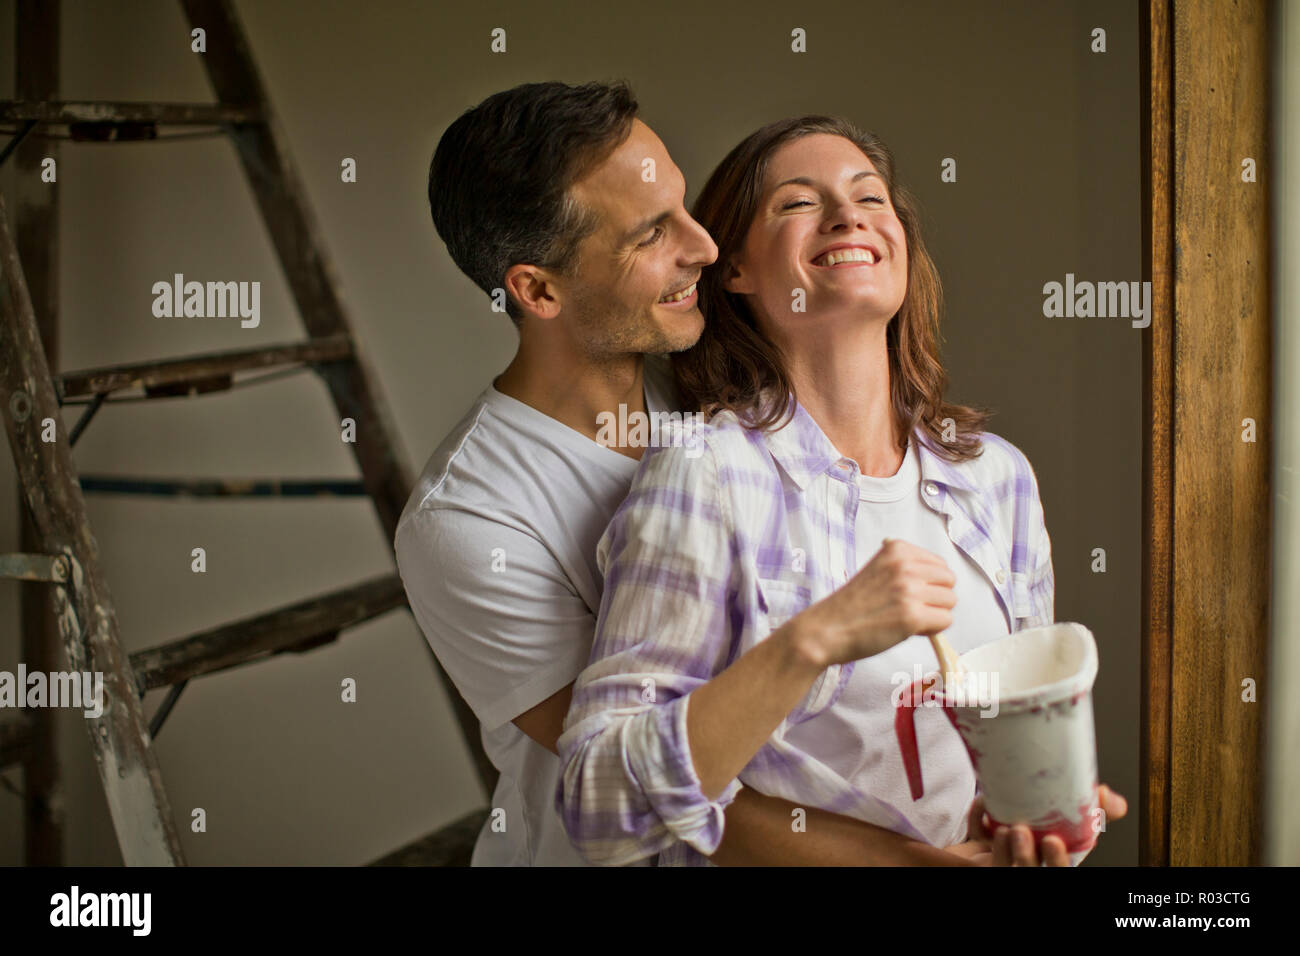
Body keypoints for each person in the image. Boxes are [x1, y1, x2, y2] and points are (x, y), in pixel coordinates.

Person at [395, 84, 990, 866]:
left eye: (682, 206)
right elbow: (657, 786)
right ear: (538, 289)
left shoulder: (723, 389)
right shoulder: (470, 524)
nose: (703, 247)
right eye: (651, 235)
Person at [556, 115, 1127, 867]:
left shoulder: (998, 477)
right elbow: (600, 806)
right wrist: (816, 637)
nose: (848, 215)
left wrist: (1039, 818)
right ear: (735, 271)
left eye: (872, 198)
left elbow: (1015, 735)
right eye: (797, 203)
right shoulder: (707, 476)